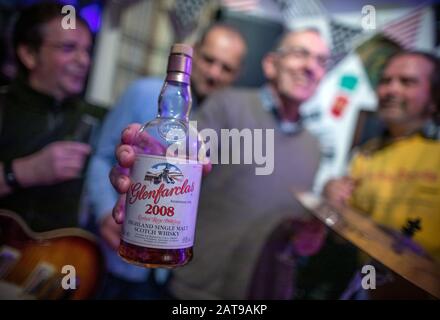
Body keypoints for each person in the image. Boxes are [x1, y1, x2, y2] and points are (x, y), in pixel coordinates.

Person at [108, 28, 330, 299]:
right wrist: (142, 167)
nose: (310, 67)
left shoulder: (314, 148)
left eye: (321, 61)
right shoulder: (227, 105)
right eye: (301, 54)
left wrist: (308, 240)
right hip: (192, 291)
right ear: (271, 64)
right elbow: (175, 158)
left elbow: (295, 238)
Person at [86, 23, 247, 299]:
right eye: (209, 60)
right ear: (192, 55)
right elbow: (100, 157)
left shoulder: (231, 124)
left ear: (237, 75)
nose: (213, 73)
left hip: (169, 274)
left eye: (226, 68)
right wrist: (103, 212)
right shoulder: (142, 93)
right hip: (112, 249)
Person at [324, 51, 440, 263]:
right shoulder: (365, 154)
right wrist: (331, 199)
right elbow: (342, 235)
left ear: (434, 98)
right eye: (386, 81)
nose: (392, 89)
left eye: (407, 82)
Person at [0, 2, 106, 232]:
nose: (83, 61)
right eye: (68, 48)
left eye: (87, 50)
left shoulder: (95, 118)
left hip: (62, 261)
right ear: (29, 54)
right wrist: (24, 171)